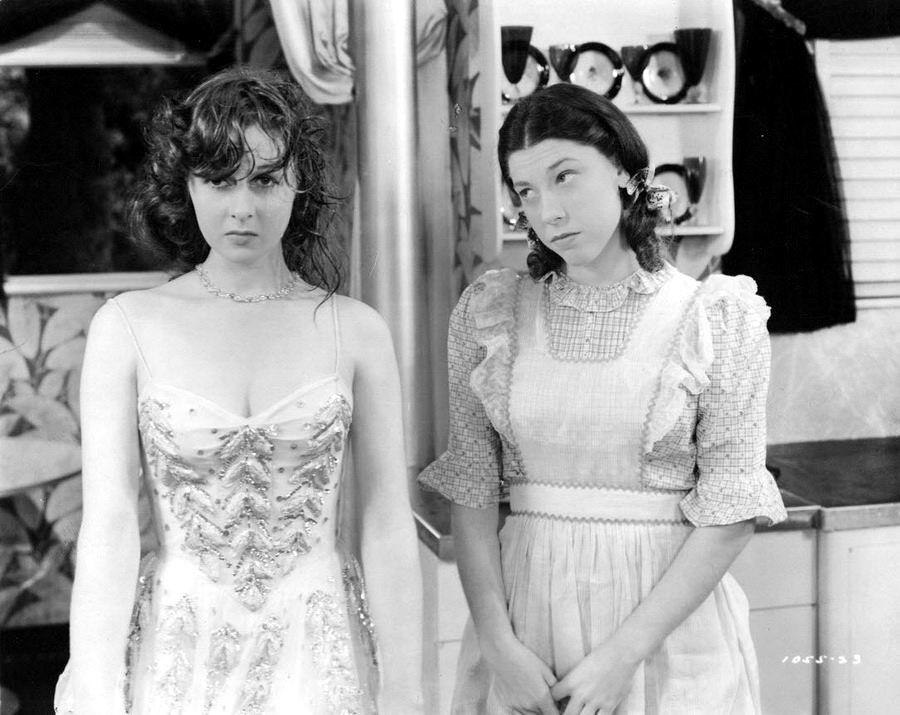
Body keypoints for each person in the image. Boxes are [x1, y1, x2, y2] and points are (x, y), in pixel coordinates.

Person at [56, 67, 423, 714]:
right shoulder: (127, 326)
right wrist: (93, 683)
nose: (242, 208)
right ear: (187, 183)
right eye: (220, 180)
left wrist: (406, 689)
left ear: (299, 182)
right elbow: (109, 523)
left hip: (320, 653)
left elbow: (387, 522)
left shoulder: (357, 331)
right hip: (179, 650)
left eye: (265, 179)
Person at [420, 82, 787, 715]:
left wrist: (622, 658)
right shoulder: (490, 315)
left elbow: (732, 512)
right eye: (527, 192)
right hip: (524, 632)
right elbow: (473, 492)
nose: (549, 213)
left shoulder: (715, 317)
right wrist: (499, 646)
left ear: (621, 169)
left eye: (565, 177)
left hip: (662, 638)